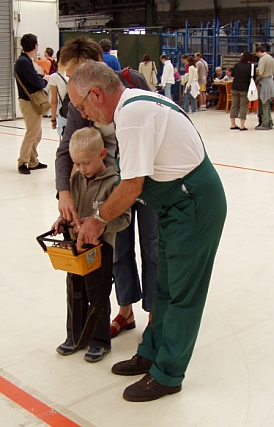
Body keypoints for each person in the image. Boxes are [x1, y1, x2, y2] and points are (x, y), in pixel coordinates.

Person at [68, 61, 227, 402]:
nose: (83, 115)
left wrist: (98, 220)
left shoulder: (134, 117)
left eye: (81, 107)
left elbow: (131, 186)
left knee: (184, 295)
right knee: (165, 287)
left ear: (96, 94)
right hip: (175, 205)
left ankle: (169, 374)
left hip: (193, 206)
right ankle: (151, 352)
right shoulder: (132, 105)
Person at [55, 36, 158, 341]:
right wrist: (64, 192)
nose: (76, 82)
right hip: (110, 187)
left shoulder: (131, 82)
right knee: (118, 250)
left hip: (145, 178)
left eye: (79, 72)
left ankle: (155, 314)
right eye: (71, 76)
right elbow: (65, 149)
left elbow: (156, 119)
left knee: (153, 247)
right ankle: (125, 311)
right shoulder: (77, 102)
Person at [52, 127, 131, 362]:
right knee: (74, 292)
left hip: (100, 250)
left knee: (97, 295)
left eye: (85, 163)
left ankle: (99, 341)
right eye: (76, 163)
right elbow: (71, 210)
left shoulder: (114, 183)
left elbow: (124, 219)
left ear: (102, 154)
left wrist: (102, 225)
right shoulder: (76, 179)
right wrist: (61, 221)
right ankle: (75, 336)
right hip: (75, 250)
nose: (80, 168)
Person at [14, 33, 49, 175]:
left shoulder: (24, 61)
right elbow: (35, 81)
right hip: (29, 102)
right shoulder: (24, 62)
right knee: (32, 132)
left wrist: (40, 78)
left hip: (29, 101)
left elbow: (33, 77)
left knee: (37, 132)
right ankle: (23, 161)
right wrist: (44, 80)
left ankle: (33, 160)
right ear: (35, 46)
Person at [229, 52, 255, 131]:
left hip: (235, 87)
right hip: (244, 88)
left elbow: (232, 74)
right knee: (243, 106)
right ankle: (242, 126)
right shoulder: (251, 66)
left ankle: (233, 124)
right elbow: (254, 77)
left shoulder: (237, 65)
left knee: (234, 105)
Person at [48, 49, 68, 138]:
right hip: (77, 111)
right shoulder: (77, 74)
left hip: (64, 111)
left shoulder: (54, 77)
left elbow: (54, 101)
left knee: (64, 140)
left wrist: (53, 118)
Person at [255, 45, 274, 130]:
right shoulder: (270, 58)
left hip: (264, 82)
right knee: (268, 104)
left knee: (264, 103)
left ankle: (264, 123)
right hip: (270, 81)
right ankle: (269, 122)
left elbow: (261, 73)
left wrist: (256, 70)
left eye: (257, 54)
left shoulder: (262, 59)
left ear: (259, 52)